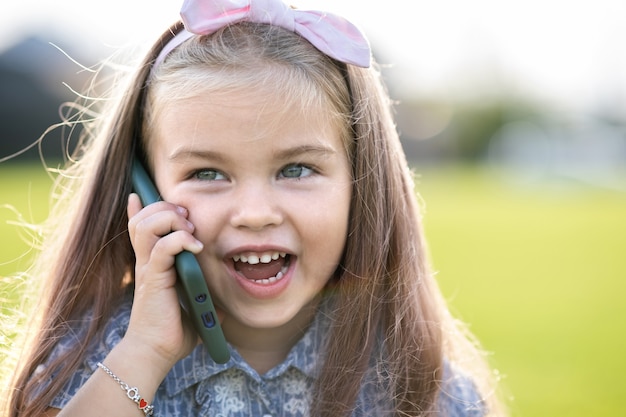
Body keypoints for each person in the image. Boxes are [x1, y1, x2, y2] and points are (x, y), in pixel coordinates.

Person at [2, 0, 506, 415]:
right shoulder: (95, 363)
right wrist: (144, 356)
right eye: (207, 174)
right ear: (145, 189)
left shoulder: (422, 391)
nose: (255, 212)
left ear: (362, 184)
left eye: (296, 169)